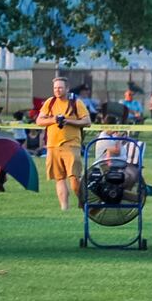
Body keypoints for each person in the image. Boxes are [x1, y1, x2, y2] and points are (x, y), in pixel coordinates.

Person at [36, 76, 91, 211]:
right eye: (55, 88)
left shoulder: (76, 103)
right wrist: (54, 120)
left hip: (71, 145)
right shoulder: (50, 102)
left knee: (74, 179)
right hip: (53, 145)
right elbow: (39, 121)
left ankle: (82, 203)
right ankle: (64, 209)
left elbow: (87, 122)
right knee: (59, 178)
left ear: (67, 88)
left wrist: (68, 121)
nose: (57, 90)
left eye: (60, 88)